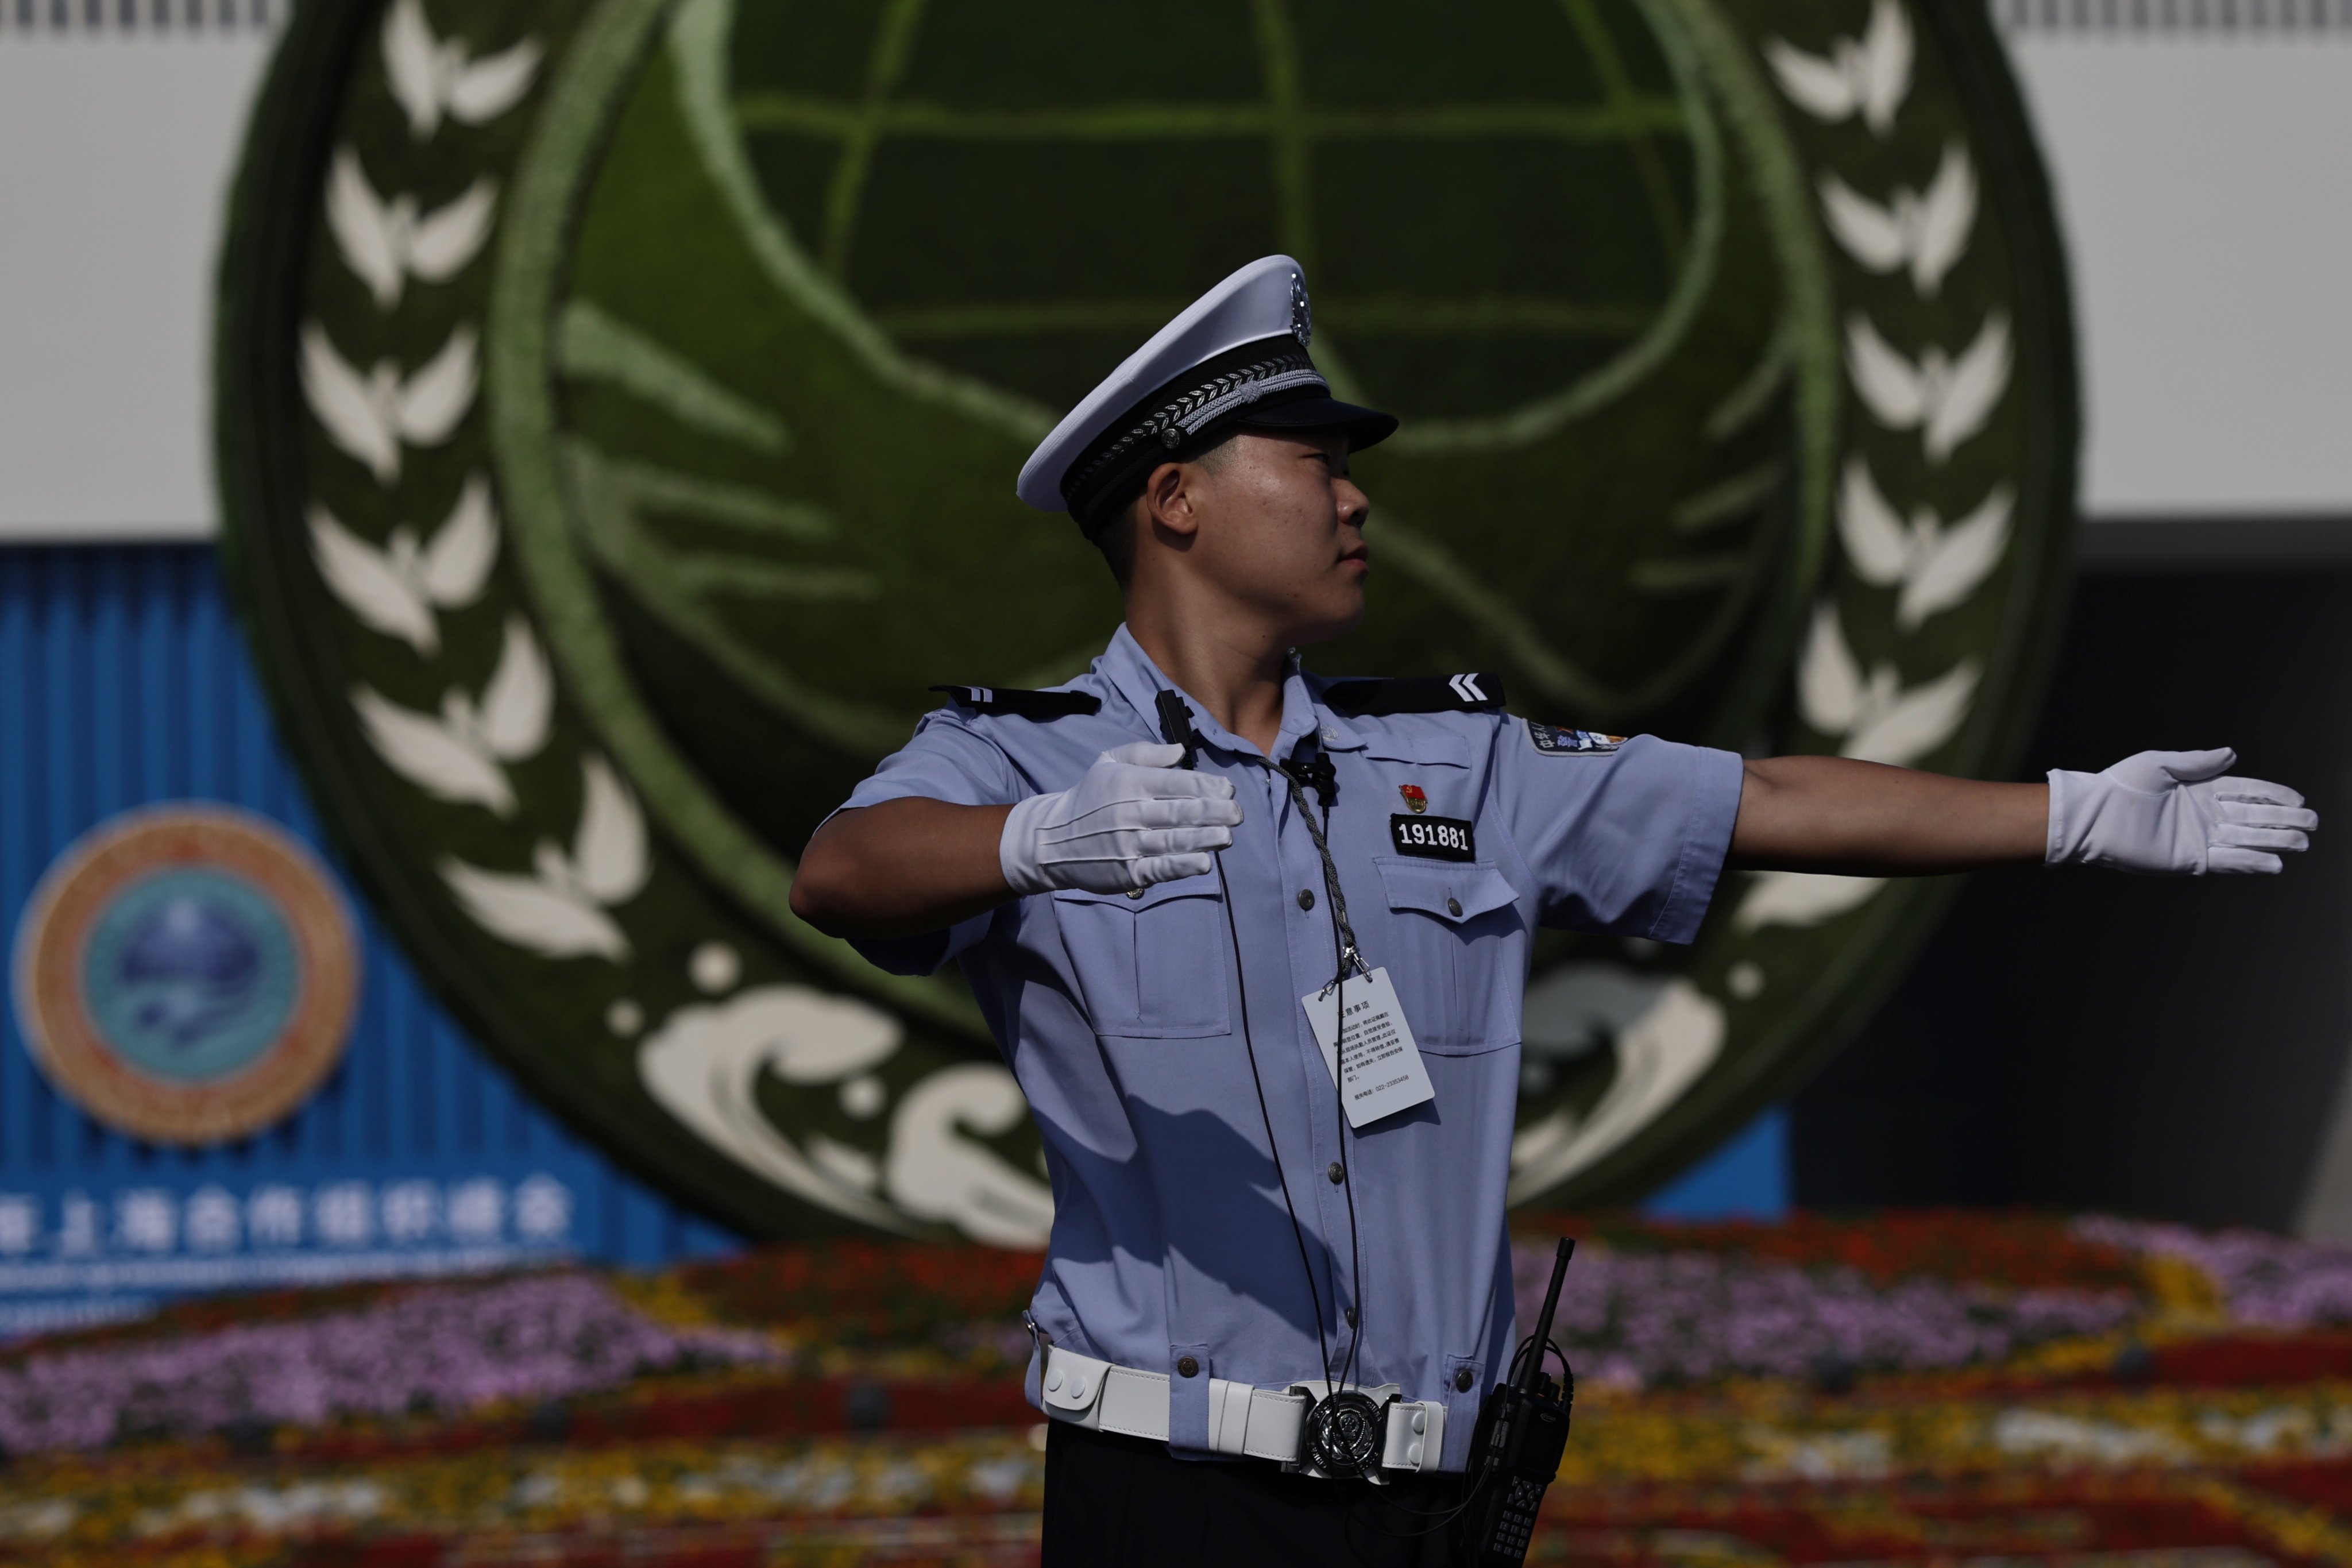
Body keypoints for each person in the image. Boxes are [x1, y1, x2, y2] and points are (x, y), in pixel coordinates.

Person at [790, 256, 2315, 1565]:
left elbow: (1765, 800)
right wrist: (1041, 839)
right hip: (1177, 1502)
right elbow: (846, 868)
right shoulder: (1027, 756)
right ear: (1175, 497)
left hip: (1441, 1505)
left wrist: (2075, 813)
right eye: (1309, 457)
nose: (1354, 493)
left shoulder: (1455, 761)